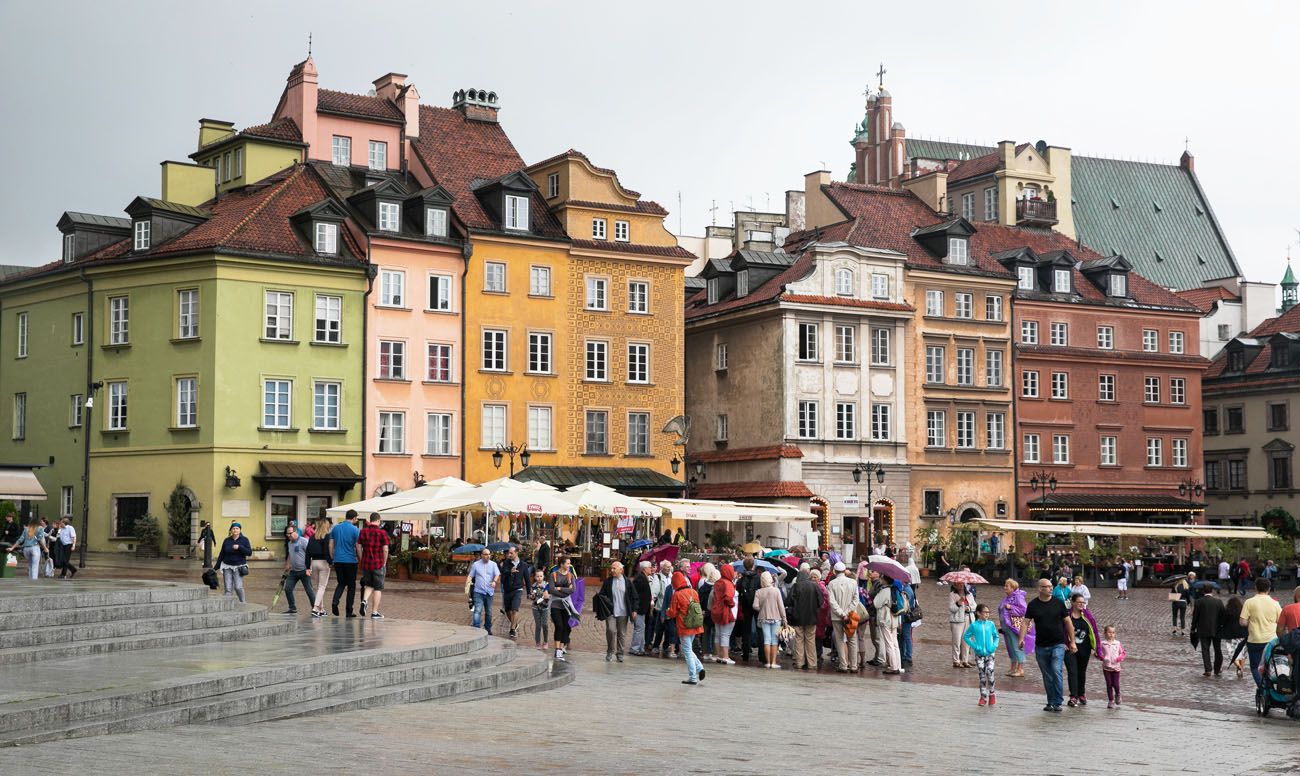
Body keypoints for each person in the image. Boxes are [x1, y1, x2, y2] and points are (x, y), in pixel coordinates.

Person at [1021, 578, 1076, 713]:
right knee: (1047, 675)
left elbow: (1068, 622)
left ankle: (1057, 702)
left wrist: (1072, 641)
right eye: (1047, 587)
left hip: (1058, 643)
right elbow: (1025, 622)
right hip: (1041, 646)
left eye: (1051, 586)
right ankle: (1050, 701)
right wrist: (1021, 638)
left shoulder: (1058, 603)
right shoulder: (1033, 605)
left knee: (1056, 671)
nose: (1051, 588)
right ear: (1040, 589)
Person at [1239, 577, 1282, 688]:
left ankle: (1263, 688)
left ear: (1255, 588)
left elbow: (1242, 622)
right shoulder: (1275, 604)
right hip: (1271, 640)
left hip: (1255, 639)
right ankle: (1270, 688)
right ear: (1269, 589)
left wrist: (1253, 623)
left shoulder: (1249, 602)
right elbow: (1280, 622)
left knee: (1255, 667)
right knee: (1271, 666)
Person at [665, 569, 705, 685]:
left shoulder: (677, 594)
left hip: (684, 625)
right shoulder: (693, 592)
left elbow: (673, 613)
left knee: (687, 651)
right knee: (689, 649)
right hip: (695, 624)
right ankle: (700, 668)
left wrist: (668, 611)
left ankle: (693, 677)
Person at [597, 561, 638, 662]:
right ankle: (610, 651)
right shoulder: (608, 581)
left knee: (622, 633)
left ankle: (620, 653)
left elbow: (634, 597)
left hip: (623, 612)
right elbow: (602, 594)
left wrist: (634, 610)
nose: (612, 570)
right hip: (611, 612)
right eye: (611, 568)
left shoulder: (628, 582)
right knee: (611, 630)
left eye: (614, 568)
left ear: (621, 570)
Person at [963, 603, 1001, 706]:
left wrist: (994, 646)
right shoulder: (974, 625)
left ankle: (992, 693)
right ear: (978, 613)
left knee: (990, 672)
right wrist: (975, 646)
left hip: (990, 653)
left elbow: (996, 636)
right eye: (985, 612)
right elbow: (966, 637)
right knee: (982, 676)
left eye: (988, 612)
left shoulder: (991, 624)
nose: (987, 614)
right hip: (979, 654)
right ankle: (983, 697)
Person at [1065, 592, 1098, 706]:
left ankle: (1081, 694)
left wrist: (1097, 648)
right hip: (1070, 648)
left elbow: (1094, 631)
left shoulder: (1088, 615)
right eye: (1079, 602)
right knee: (1072, 671)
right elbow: (1061, 630)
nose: (1081, 604)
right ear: (1073, 602)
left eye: (1083, 602)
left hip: (1085, 648)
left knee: (1081, 671)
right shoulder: (1066, 615)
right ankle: (1073, 696)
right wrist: (1064, 643)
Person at [827, 561, 859, 673]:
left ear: (835, 571)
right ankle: (854, 666)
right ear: (845, 571)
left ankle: (843, 665)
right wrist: (847, 612)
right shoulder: (853, 582)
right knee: (852, 640)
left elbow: (832, 601)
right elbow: (856, 600)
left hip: (837, 616)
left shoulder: (831, 584)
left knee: (840, 640)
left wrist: (841, 613)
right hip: (850, 616)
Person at [329, 510, 361, 617]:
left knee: (341, 583)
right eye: (356, 518)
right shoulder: (355, 530)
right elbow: (358, 546)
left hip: (338, 560)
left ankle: (335, 601)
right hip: (350, 560)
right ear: (354, 518)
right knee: (351, 586)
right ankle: (349, 611)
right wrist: (360, 558)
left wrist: (332, 557)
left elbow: (331, 544)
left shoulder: (336, 528)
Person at [752, 571, 787, 669]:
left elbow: (755, 606)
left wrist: (762, 609)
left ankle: (767, 662)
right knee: (774, 640)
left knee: (766, 640)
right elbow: (781, 606)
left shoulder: (759, 591)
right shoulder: (776, 591)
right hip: (776, 618)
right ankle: (773, 662)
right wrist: (784, 618)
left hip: (763, 618)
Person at [789, 564, 821, 671]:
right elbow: (821, 601)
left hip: (798, 618)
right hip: (811, 617)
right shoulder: (814, 586)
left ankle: (799, 662)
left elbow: (788, 601)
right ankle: (812, 663)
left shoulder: (795, 586)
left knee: (799, 640)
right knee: (810, 640)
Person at [357, 513, 388, 619]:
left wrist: (361, 557)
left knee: (369, 585)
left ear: (370, 520)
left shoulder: (363, 531)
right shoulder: (382, 533)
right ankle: (374, 612)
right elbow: (385, 549)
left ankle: (364, 601)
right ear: (378, 521)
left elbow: (358, 545)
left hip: (366, 563)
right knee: (378, 588)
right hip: (378, 563)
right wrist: (384, 561)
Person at [999, 579, 1032, 677]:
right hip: (1007, 626)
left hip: (1014, 626)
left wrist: (1011, 608)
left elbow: (1024, 610)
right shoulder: (1007, 597)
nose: (1004, 587)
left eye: (1007, 586)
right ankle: (1013, 668)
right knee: (1010, 647)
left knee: (1017, 646)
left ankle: (1020, 669)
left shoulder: (1018, 596)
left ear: (1013, 588)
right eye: (1005, 585)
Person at [498, 546, 532, 639]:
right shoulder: (506, 563)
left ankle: (512, 629)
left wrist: (529, 592)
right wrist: (510, 572)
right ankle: (515, 624)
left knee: (515, 609)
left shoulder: (523, 565)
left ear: (516, 553)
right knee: (508, 611)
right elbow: (502, 577)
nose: (509, 555)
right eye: (508, 553)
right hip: (507, 590)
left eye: (511, 553)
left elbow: (527, 579)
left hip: (518, 589)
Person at [281, 524, 314, 615]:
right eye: (287, 534)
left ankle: (315, 608)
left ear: (296, 532)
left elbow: (310, 555)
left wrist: (309, 568)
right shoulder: (289, 543)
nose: (288, 536)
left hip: (304, 571)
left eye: (290, 533)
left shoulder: (304, 541)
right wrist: (287, 565)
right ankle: (292, 608)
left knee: (309, 590)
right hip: (293, 572)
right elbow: (290, 555)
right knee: (288, 589)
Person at [1191, 590, 1226, 676]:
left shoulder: (1199, 602)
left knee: (1205, 650)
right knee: (1218, 649)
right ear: (1212, 591)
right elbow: (1223, 615)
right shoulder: (1218, 601)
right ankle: (1217, 669)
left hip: (1203, 629)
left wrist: (1193, 628)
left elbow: (1195, 616)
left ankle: (1208, 669)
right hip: (1217, 630)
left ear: (1204, 591)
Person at [549, 555, 576, 662]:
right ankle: (557, 649)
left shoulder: (570, 576)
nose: (569, 565)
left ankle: (560, 648)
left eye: (569, 563)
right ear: (562, 564)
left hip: (566, 605)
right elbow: (551, 589)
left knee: (565, 626)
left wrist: (559, 588)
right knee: (559, 625)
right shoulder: (554, 575)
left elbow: (573, 589)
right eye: (567, 563)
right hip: (555, 604)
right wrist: (565, 591)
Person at [217, 522, 252, 603]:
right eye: (233, 528)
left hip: (239, 566)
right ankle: (227, 605)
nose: (235, 530)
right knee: (228, 589)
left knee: (238, 587)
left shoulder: (244, 540)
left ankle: (243, 602)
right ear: (231, 530)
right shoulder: (227, 540)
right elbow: (222, 553)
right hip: (227, 566)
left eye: (237, 528)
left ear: (240, 530)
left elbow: (249, 553)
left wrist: (240, 547)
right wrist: (216, 566)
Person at [710, 563, 738, 665]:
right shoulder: (728, 583)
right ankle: (725, 657)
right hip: (726, 611)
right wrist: (732, 604)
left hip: (716, 610)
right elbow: (728, 598)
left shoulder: (718, 582)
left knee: (718, 634)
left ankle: (718, 655)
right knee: (726, 635)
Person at [735, 557, 762, 662]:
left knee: (746, 629)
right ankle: (761, 653)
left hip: (745, 606)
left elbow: (738, 593)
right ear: (753, 565)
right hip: (757, 605)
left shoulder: (741, 580)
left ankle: (745, 652)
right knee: (759, 628)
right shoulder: (758, 578)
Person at [876, 577, 905, 675]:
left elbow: (876, 603)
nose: (881, 579)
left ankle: (893, 667)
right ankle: (898, 665)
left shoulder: (885, 591)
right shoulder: (895, 589)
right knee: (895, 643)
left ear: (885, 580)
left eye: (882, 578)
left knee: (888, 643)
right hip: (895, 619)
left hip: (886, 619)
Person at [468, 547, 500, 633]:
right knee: (478, 610)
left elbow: (497, 574)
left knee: (488, 612)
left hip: (489, 592)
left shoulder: (493, 564)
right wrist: (467, 585)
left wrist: (494, 581)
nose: (488, 556)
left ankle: (488, 629)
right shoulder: (476, 565)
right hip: (478, 591)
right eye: (486, 554)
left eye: (489, 554)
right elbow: (471, 576)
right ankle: (476, 629)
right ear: (482, 555)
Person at [306, 518, 332, 618]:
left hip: (314, 563)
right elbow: (326, 550)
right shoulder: (327, 536)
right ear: (326, 526)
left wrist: (307, 566)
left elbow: (307, 552)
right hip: (324, 562)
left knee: (318, 587)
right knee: (322, 587)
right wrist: (330, 562)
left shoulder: (312, 537)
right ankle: (316, 608)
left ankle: (322, 609)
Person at [1221, 596, 1250, 679]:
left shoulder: (1226, 611)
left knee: (1232, 653)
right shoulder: (1243, 611)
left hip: (1230, 634)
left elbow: (1223, 622)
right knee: (1243, 653)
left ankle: (1238, 666)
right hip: (1243, 633)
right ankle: (1241, 669)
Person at [948, 582, 976, 668]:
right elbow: (952, 609)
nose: (960, 586)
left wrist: (969, 608)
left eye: (961, 584)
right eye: (958, 584)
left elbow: (975, 605)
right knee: (956, 641)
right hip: (957, 620)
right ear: (954, 586)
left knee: (966, 641)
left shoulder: (969, 594)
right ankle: (956, 660)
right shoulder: (952, 595)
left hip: (968, 618)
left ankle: (965, 660)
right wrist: (959, 603)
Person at [1098, 625, 1126, 708]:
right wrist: (1103, 658)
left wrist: (1119, 658)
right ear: (1105, 633)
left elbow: (1123, 653)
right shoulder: (1102, 643)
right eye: (1109, 632)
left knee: (1116, 684)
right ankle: (1111, 700)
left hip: (1116, 667)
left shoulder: (1117, 643)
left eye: (1113, 632)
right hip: (1106, 667)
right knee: (1109, 684)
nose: (1111, 634)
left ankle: (1117, 694)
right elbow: (1098, 653)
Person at [630, 561, 653, 656]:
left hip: (643, 608)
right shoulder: (640, 579)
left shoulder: (643, 577)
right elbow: (635, 595)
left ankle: (640, 647)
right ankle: (634, 648)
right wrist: (634, 609)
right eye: (650, 567)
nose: (651, 569)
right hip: (639, 608)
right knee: (639, 628)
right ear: (645, 569)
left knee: (641, 627)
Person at [697, 563, 717, 661]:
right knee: (712, 633)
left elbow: (699, 600)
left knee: (706, 632)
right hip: (712, 612)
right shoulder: (715, 588)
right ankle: (711, 651)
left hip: (704, 612)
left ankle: (706, 652)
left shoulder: (702, 587)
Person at [528, 569, 550, 649]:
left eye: (541, 576)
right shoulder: (533, 586)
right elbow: (531, 597)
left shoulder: (547, 585)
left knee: (545, 625)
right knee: (538, 625)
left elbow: (549, 596)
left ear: (543, 576)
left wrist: (547, 596)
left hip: (545, 607)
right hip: (535, 608)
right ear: (535, 577)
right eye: (537, 576)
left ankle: (545, 641)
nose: (539, 578)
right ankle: (537, 642)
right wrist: (532, 596)